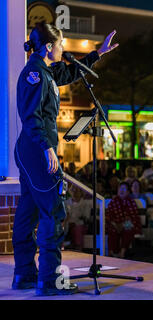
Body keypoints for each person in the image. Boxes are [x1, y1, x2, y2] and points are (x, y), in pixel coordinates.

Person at [12, 22, 118, 296]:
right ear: (49, 47)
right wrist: (47, 147)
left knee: (29, 210)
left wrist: (98, 54)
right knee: (53, 211)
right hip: (37, 149)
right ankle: (49, 280)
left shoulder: (44, 70)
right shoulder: (35, 73)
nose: (63, 49)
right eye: (60, 45)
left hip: (30, 149)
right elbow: (31, 115)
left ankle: (24, 275)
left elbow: (69, 72)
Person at [105, 182, 142, 259]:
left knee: (128, 229)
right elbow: (109, 215)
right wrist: (116, 224)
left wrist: (122, 224)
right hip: (114, 223)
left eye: (124, 189)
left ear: (128, 192)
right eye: (120, 188)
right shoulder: (113, 201)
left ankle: (122, 252)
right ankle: (111, 252)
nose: (121, 190)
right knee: (112, 230)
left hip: (127, 223)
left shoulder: (131, 201)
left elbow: (133, 216)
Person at [64, 185, 91, 251]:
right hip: (67, 223)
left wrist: (74, 222)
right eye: (73, 190)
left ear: (81, 192)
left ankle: (78, 249)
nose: (74, 192)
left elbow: (86, 217)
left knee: (77, 229)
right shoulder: (66, 202)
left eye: (77, 190)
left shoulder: (85, 203)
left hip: (79, 224)